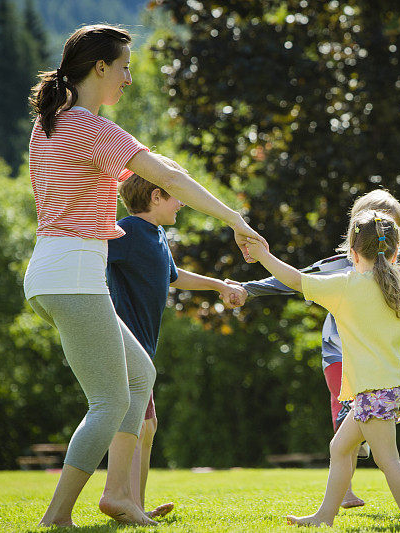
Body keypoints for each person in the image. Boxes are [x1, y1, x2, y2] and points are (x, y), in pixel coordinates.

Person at [25, 24, 264, 527]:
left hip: (56, 273)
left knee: (140, 375)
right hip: (72, 277)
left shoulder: (50, 124)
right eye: (126, 67)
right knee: (109, 399)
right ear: (101, 68)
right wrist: (236, 221)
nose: (129, 78)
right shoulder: (87, 127)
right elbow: (169, 177)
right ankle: (57, 516)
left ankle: (119, 497)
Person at [244, 211, 400, 527]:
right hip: (385, 390)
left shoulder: (345, 286)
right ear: (396, 249)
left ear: (351, 249)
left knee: (387, 460)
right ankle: (324, 517)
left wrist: (263, 254)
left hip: (374, 392)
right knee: (340, 447)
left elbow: (294, 279)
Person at [239, 189, 400, 509]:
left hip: (375, 380)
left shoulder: (397, 278)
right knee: (342, 439)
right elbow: (293, 279)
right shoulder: (342, 270)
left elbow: (293, 279)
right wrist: (247, 289)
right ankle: (330, 508)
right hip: (353, 365)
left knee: (385, 459)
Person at [107, 174, 248, 519]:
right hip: (125, 343)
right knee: (136, 424)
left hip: (144, 347)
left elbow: (173, 275)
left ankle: (135, 505)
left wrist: (217, 285)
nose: (182, 203)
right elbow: (93, 253)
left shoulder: (156, 234)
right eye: (176, 197)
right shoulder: (124, 231)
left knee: (148, 425)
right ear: (156, 196)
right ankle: (125, 503)